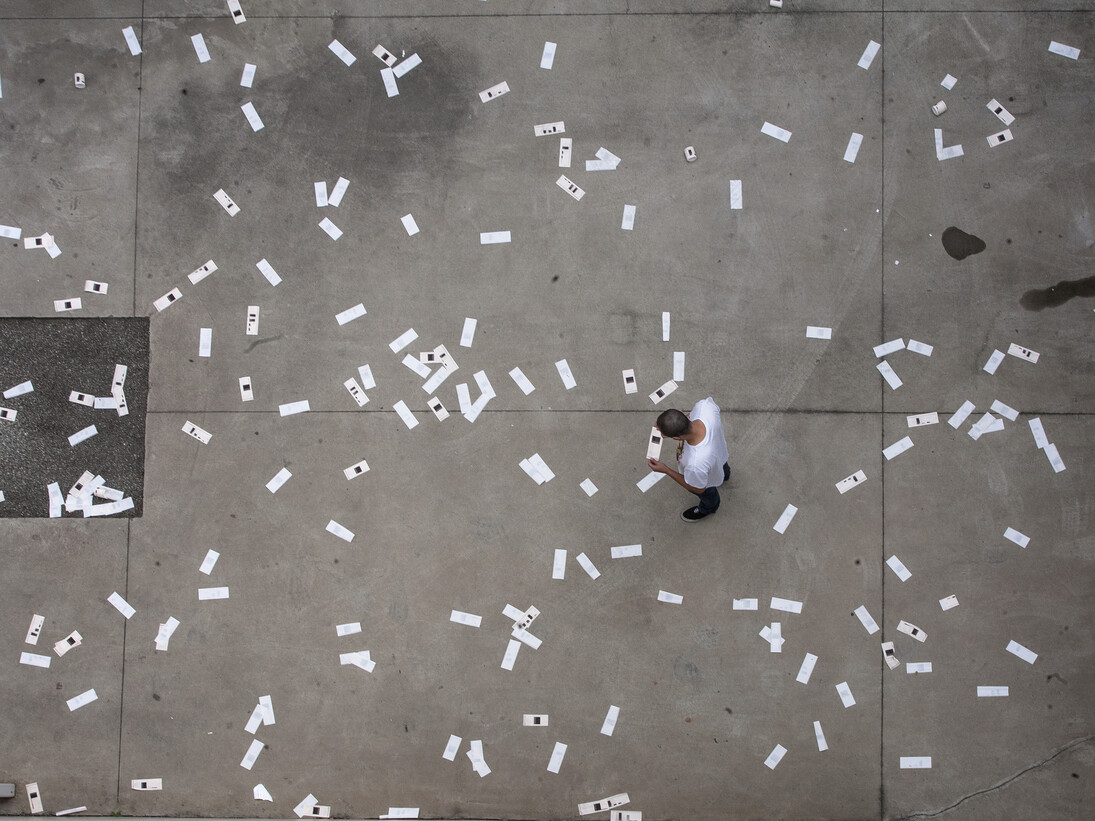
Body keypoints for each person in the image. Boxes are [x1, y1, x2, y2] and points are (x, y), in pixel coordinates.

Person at [646, 397, 731, 522]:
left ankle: (708, 508)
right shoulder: (704, 406)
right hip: (720, 454)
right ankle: (725, 476)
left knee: (708, 494)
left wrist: (666, 470)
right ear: (681, 413)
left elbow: (698, 488)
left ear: (676, 437)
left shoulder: (695, 464)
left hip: (705, 477)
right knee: (722, 468)